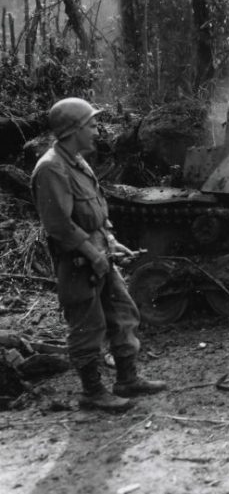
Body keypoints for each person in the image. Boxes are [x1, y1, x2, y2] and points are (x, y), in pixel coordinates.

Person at [31, 97, 166, 412]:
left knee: (123, 313)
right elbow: (59, 226)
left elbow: (94, 211)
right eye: (91, 124)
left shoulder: (76, 161)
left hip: (98, 251)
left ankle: (127, 379)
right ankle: (92, 393)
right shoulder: (51, 167)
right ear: (74, 129)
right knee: (87, 325)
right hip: (77, 261)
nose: (97, 130)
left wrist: (111, 241)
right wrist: (93, 253)